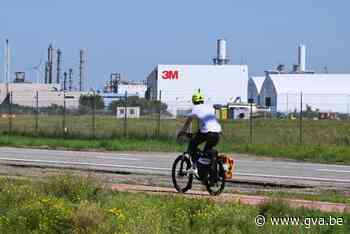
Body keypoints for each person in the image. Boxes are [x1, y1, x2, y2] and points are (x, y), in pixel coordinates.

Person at [178, 90, 222, 164]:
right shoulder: (209, 107)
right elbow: (205, 123)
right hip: (217, 134)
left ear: (193, 101)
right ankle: (207, 170)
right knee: (206, 153)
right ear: (202, 100)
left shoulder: (195, 108)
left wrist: (182, 132)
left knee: (192, 146)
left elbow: (188, 122)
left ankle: (197, 164)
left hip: (207, 133)